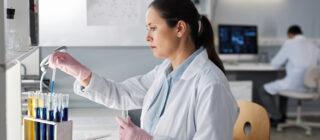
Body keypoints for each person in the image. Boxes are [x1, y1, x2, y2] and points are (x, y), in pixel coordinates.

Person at [49, 0, 239, 139]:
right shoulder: (165, 72)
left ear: (180, 28)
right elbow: (122, 94)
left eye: (153, 28)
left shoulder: (211, 85)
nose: (147, 37)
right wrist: (80, 72)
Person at [259, 25, 320, 126]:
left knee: (262, 90)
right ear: (302, 33)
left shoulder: (290, 43)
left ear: (290, 35)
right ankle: (282, 117)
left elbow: (275, 64)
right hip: (310, 87)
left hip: (293, 85)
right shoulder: (313, 46)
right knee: (282, 90)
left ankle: (277, 117)